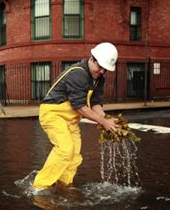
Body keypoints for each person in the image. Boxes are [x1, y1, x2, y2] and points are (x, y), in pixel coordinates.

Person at [33, 42, 120, 191]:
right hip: (52, 114)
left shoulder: (99, 78)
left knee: (74, 155)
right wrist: (103, 122)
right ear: (92, 58)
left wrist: (106, 119)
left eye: (105, 70)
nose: (102, 72)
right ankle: (40, 186)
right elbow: (80, 107)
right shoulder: (78, 73)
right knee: (65, 149)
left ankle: (64, 184)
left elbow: (95, 102)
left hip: (71, 120)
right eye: (100, 67)